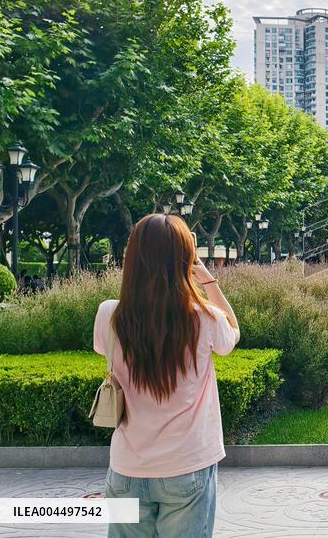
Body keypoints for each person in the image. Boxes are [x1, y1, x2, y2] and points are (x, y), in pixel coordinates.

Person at [95, 214, 240, 537]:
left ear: (132, 258)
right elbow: (233, 332)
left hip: (126, 469)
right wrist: (208, 281)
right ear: (186, 260)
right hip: (186, 466)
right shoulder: (204, 318)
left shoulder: (109, 315)